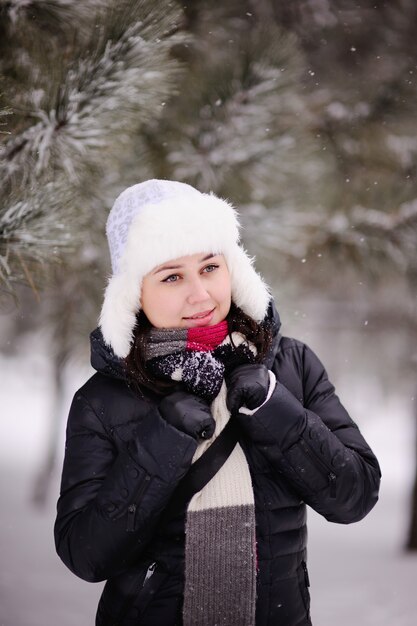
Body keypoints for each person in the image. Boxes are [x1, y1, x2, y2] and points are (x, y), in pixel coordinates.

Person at [54, 179, 381, 626]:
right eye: (172, 276)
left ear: (234, 269)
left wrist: (273, 407)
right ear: (134, 295)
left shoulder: (291, 366)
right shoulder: (103, 401)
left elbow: (355, 495)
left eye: (210, 268)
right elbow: (85, 555)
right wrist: (163, 440)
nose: (200, 295)